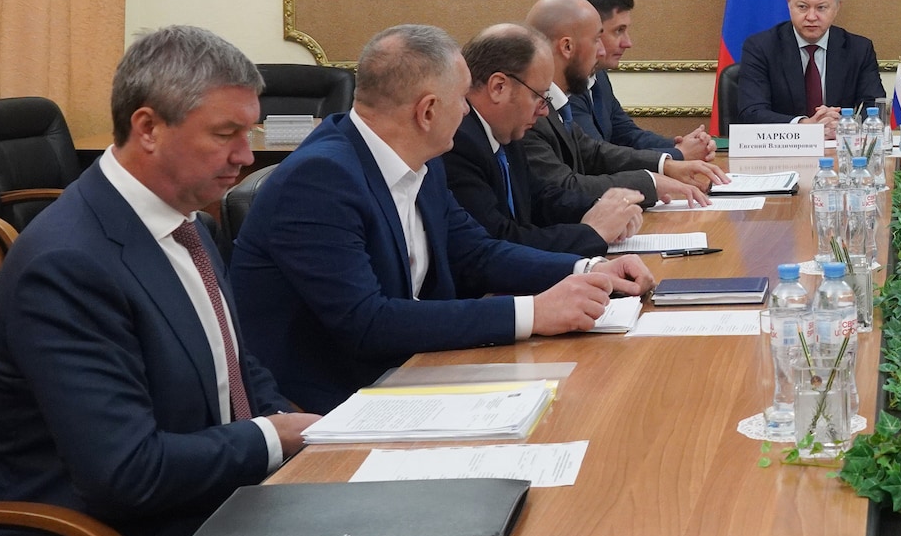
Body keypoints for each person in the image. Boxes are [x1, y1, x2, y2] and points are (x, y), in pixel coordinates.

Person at [0, 27, 317, 536]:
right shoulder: (67, 265)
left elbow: (236, 367)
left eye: (249, 132)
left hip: (223, 508)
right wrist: (273, 437)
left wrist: (300, 436)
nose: (245, 155)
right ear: (148, 128)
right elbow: (125, 473)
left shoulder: (189, 223)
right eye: (226, 134)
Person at [231, 25, 655, 412]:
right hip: (331, 404)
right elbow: (367, 322)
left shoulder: (424, 161)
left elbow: (476, 252)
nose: (468, 112)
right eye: (462, 99)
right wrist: (533, 312)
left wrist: (588, 268)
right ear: (428, 111)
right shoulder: (320, 179)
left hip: (412, 370)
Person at [446, 24, 646, 260]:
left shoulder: (505, 128)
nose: (544, 112)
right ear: (499, 87)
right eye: (538, 97)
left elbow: (540, 197)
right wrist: (592, 233)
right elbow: (499, 239)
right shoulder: (458, 142)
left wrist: (600, 206)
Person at [523, 0, 724, 208]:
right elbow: (562, 187)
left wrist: (665, 165)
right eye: (596, 40)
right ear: (567, 47)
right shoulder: (528, 112)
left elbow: (593, 153)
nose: (601, 51)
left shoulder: (557, 102)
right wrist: (651, 181)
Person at [565, 0, 714, 160]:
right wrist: (677, 154)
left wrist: (682, 145)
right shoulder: (566, 86)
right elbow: (597, 156)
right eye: (618, 31)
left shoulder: (599, 76)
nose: (628, 43)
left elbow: (626, 134)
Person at [733, 0, 886, 132]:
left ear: (837, 8)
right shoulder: (761, 47)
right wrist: (806, 126)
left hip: (838, 141)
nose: (811, 17)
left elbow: (875, 106)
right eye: (802, 7)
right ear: (789, 4)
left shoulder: (859, 49)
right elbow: (752, 111)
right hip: (784, 144)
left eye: (821, 8)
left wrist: (842, 124)